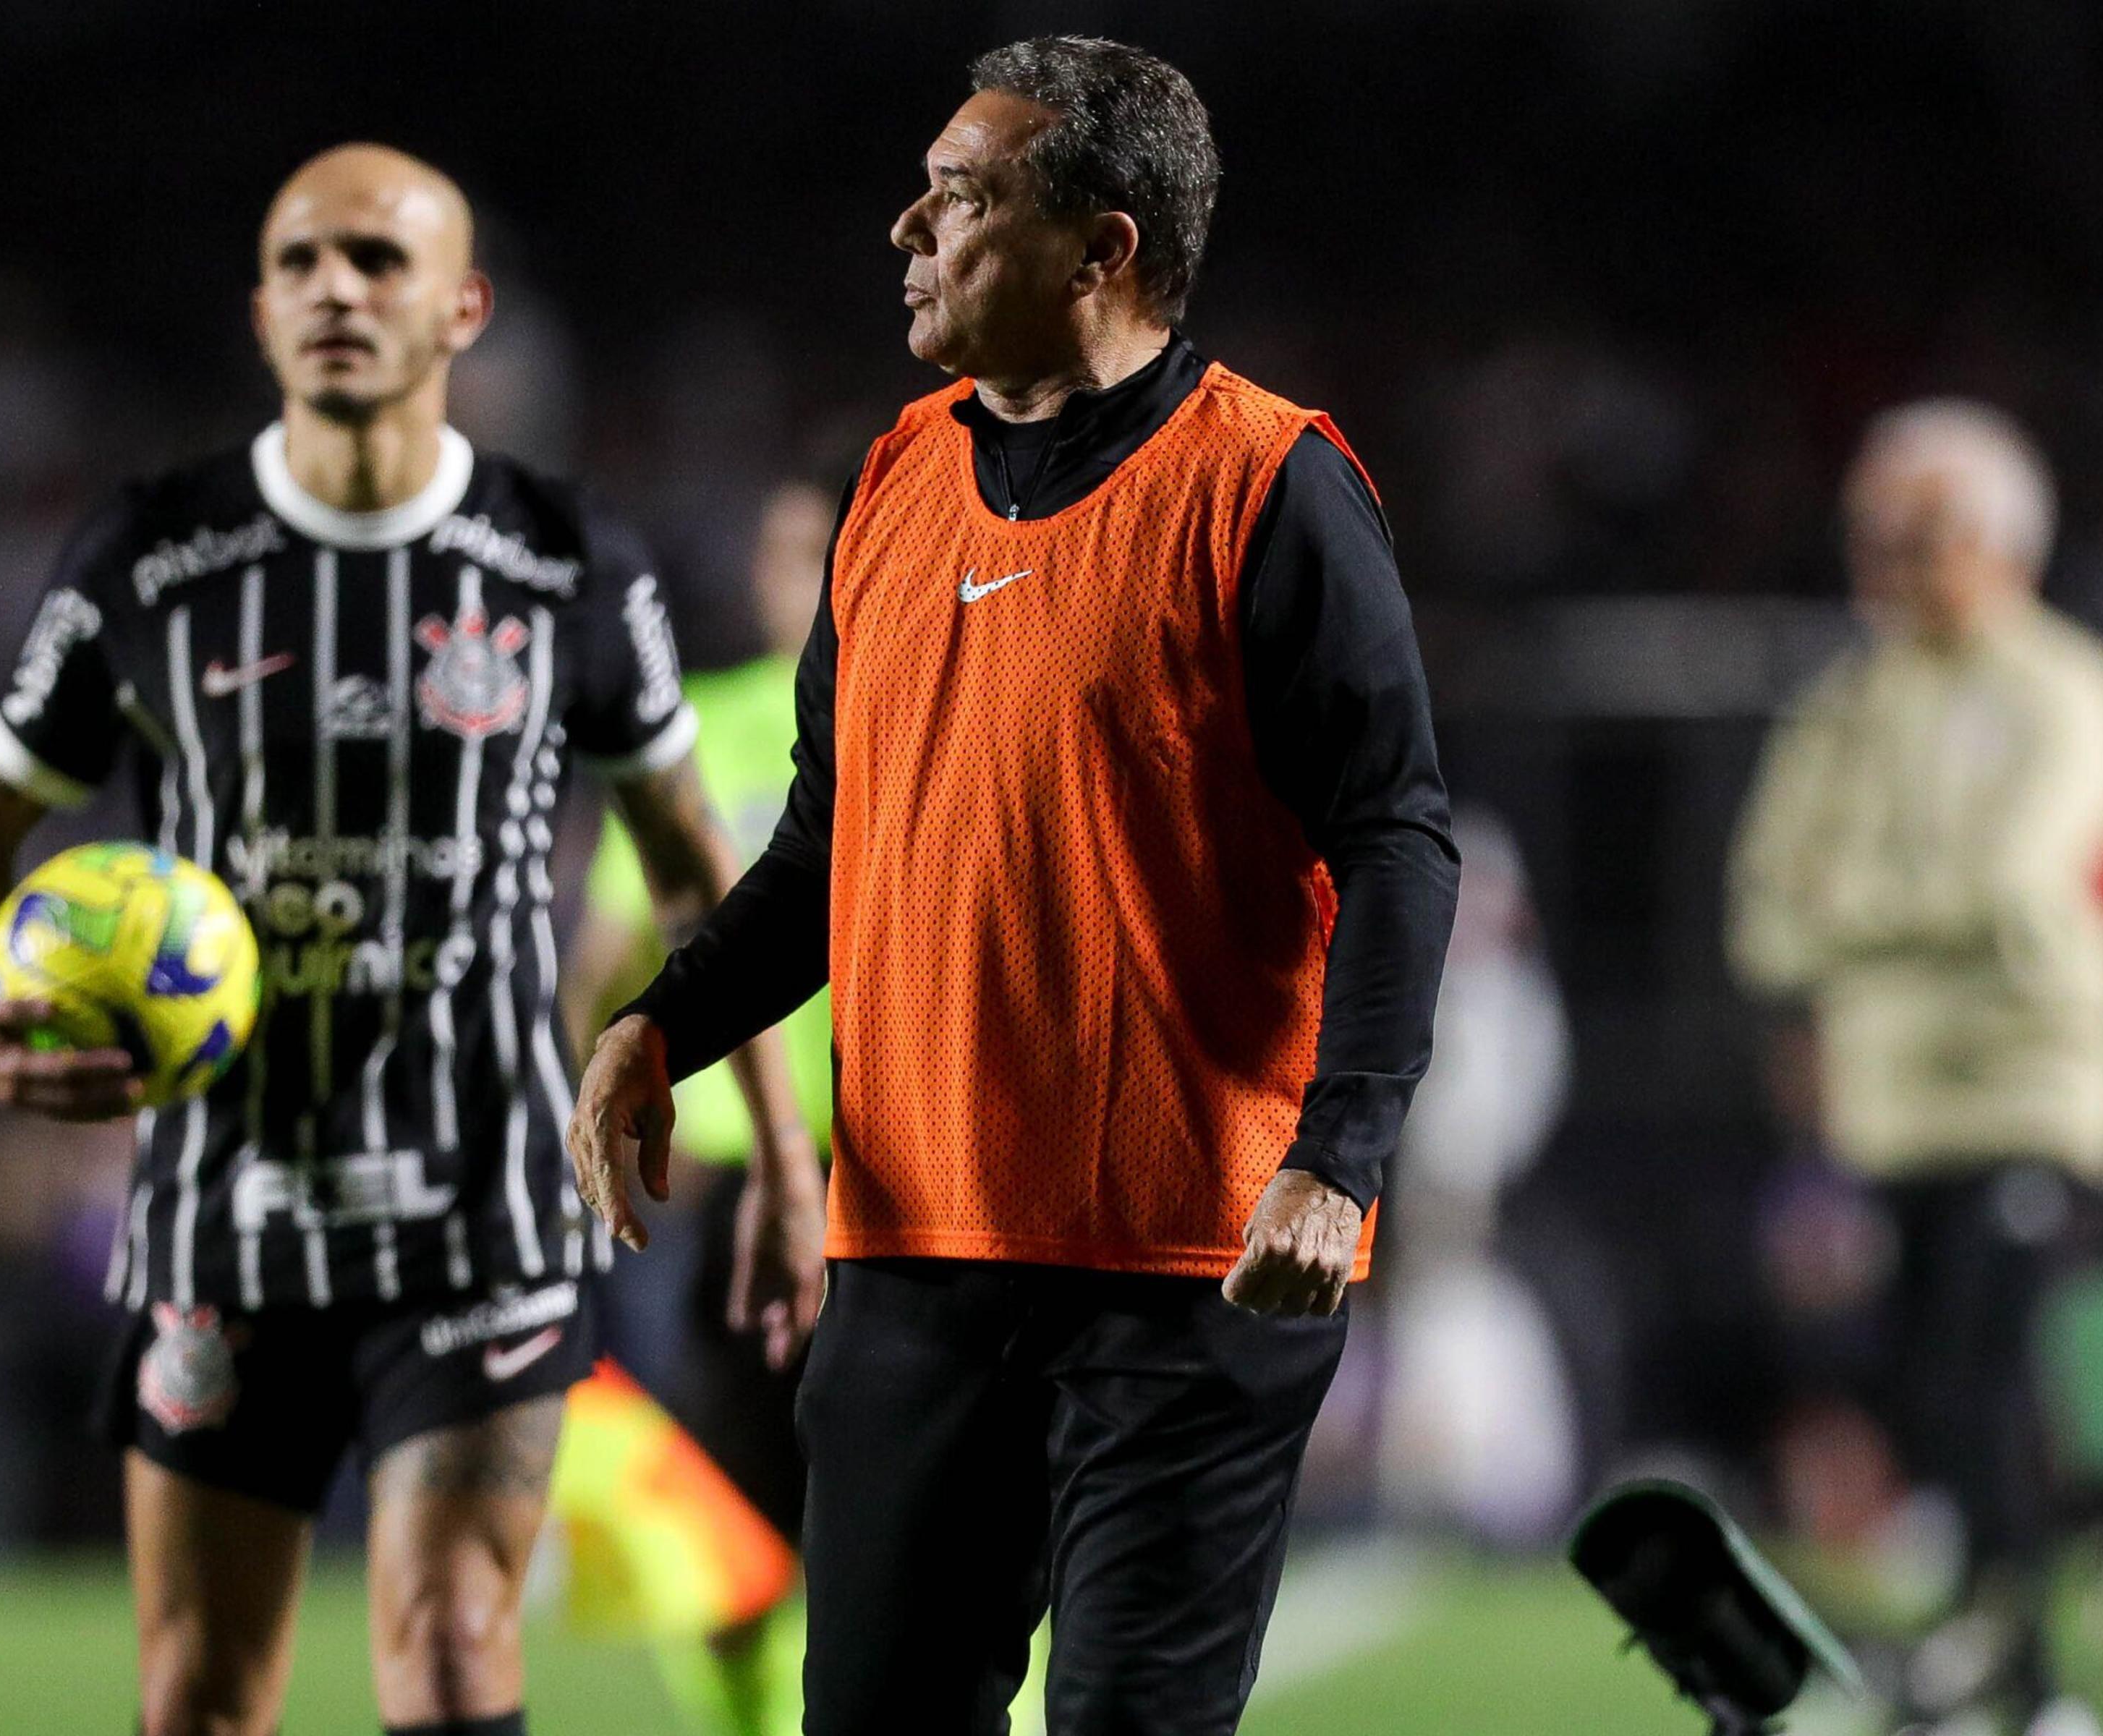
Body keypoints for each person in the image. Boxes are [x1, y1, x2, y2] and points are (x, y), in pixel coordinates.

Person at [569, 38, 1457, 1736]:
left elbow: (1399, 840)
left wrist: (1338, 1161)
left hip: (1188, 1267)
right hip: (911, 1259)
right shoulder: (894, 480)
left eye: (962, 197)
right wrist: (659, 1028)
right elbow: (833, 849)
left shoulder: (1270, 484)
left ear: (1102, 250)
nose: (907, 226)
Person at [0, 143, 823, 1736]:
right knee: (201, 1692)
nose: (340, 287)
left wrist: (787, 1163)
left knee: (458, 1648)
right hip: (223, 1218)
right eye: (304, 261)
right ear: (260, 311)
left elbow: (694, 875)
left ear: (462, 307)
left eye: (381, 261)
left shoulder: (567, 563)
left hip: (483, 1211)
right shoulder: (148, 560)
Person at [1728, 400, 2103, 1736]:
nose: (1879, 563)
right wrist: (1905, 913)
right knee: (1920, 1392)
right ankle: (1977, 1656)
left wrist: (1854, 913)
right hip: (1889, 1114)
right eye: (1869, 535)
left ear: (1993, 537)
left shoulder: (2066, 684)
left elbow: (2016, 876)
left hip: (2037, 1096)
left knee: (1992, 1375)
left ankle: (2035, 1680)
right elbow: (1761, 912)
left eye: (1909, 535)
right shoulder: (1850, 704)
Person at [561, 472, 844, 1736]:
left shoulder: (944, 720)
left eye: (823, 553)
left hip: (929, 1171)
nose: (801, 583)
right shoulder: (705, 733)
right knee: (731, 1513)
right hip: (733, 1196)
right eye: (785, 555)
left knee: (965, 1500)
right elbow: (608, 958)